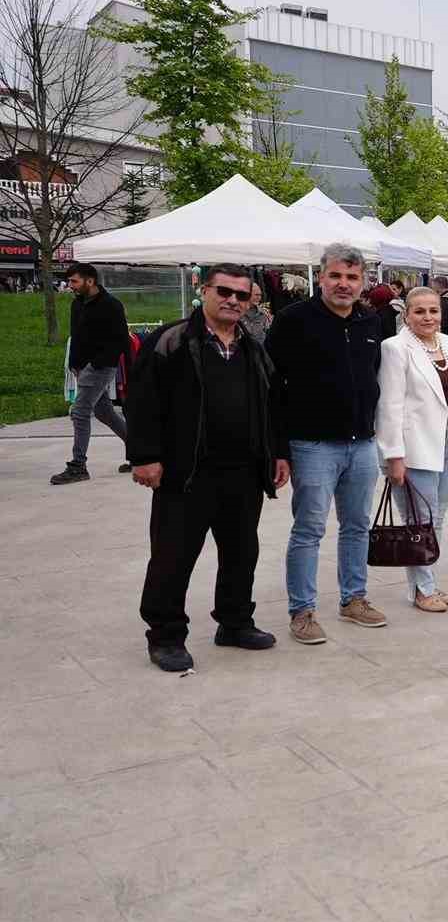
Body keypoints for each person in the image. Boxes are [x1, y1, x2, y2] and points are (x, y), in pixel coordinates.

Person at [128, 264, 289, 672]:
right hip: (186, 474)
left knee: (241, 552)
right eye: (224, 291)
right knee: (173, 557)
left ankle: (234, 623)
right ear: (204, 290)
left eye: (242, 294)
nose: (233, 300)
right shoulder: (172, 341)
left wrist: (276, 453)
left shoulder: (252, 346)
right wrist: (145, 456)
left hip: (243, 473)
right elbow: (141, 401)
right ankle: (165, 635)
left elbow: (271, 404)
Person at [267, 243, 386, 642]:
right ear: (320, 277)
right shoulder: (292, 320)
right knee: (309, 529)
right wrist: (278, 448)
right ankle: (302, 611)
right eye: (335, 275)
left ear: (363, 282)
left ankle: (354, 599)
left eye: (352, 277)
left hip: (362, 445)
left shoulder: (371, 322)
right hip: (312, 445)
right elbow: (272, 387)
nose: (343, 284)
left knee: (356, 527)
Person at [377, 286, 448, 612]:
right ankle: (422, 590)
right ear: (405, 314)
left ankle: (427, 582)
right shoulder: (394, 348)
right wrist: (394, 455)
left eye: (433, 310)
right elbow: (389, 405)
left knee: (436, 518)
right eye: (419, 311)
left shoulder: (447, 343)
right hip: (415, 446)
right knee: (420, 521)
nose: (427, 317)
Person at [52, 262, 130, 484]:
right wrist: (74, 364)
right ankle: (139, 451)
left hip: (100, 367)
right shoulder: (78, 304)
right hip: (81, 368)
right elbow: (76, 337)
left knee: (80, 411)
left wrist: (95, 365)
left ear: (90, 280)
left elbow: (119, 342)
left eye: (74, 281)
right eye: (69, 281)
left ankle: (78, 466)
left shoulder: (111, 305)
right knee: (105, 413)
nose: (70, 286)